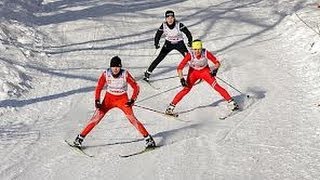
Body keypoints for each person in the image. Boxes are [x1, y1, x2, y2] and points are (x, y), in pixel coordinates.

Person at [73, 56, 156, 149]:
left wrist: (132, 100)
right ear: (110, 67)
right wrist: (97, 100)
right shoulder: (106, 74)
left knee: (132, 119)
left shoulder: (125, 74)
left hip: (122, 100)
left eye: (117, 67)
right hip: (109, 99)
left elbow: (136, 87)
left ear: (120, 67)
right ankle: (80, 138)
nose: (115, 69)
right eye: (113, 67)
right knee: (96, 118)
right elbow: (99, 87)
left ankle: (149, 139)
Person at [165, 39, 239, 115]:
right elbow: (179, 68)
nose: (197, 51)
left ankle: (232, 103)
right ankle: (170, 107)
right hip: (193, 73)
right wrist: (182, 79)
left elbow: (217, 63)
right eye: (195, 49)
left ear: (201, 48)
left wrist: (215, 70)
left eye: (199, 49)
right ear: (192, 49)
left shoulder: (206, 53)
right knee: (186, 89)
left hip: (205, 72)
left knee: (216, 86)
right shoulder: (190, 55)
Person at [143, 10, 193, 82]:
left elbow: (188, 33)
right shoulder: (164, 25)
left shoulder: (179, 24)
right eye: (168, 18)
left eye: (172, 17)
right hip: (168, 43)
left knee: (188, 57)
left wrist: (190, 42)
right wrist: (156, 43)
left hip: (179, 43)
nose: (170, 20)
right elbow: (158, 35)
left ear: (174, 18)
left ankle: (197, 71)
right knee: (160, 57)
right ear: (165, 19)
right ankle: (147, 73)